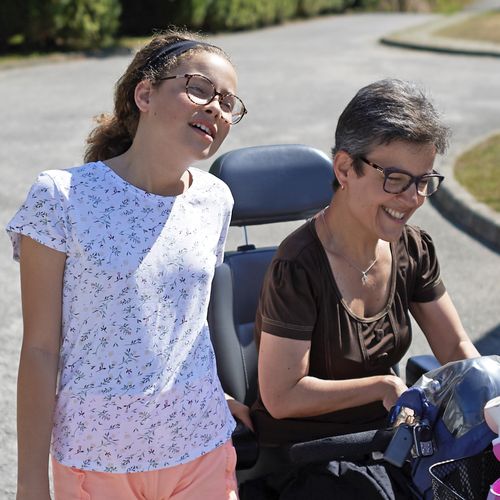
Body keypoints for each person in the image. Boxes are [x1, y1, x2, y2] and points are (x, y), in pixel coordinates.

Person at [7, 29, 250, 500]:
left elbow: (183, 323)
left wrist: (204, 393)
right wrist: (30, 483)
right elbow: (39, 350)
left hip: (198, 442)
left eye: (228, 103)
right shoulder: (61, 197)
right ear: (145, 93)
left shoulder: (216, 199)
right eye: (200, 88)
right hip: (97, 456)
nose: (217, 109)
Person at [250, 79, 480, 499]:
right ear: (344, 169)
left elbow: (458, 349)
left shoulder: (413, 247)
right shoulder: (298, 266)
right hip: (307, 456)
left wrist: (489, 397)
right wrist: (382, 387)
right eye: (395, 179)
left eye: (423, 180)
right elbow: (281, 396)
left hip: (390, 443)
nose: (412, 198)